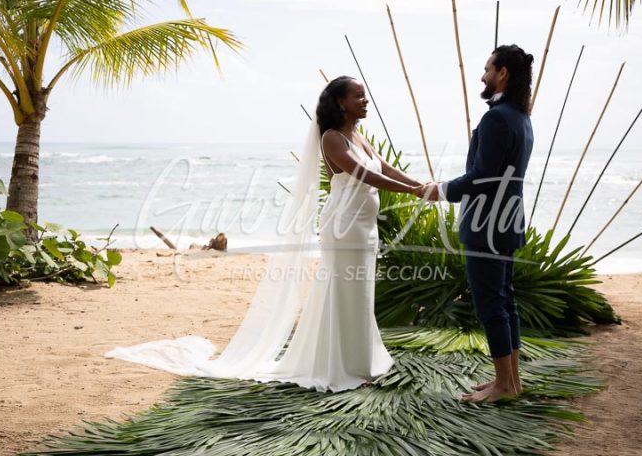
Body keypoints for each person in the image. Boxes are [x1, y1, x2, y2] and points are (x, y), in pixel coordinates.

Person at [105, 76, 424, 392]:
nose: (365, 101)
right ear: (341, 102)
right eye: (358, 96)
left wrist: (420, 186)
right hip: (344, 226)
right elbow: (364, 174)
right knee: (344, 293)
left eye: (364, 95)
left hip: (364, 228)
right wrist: (416, 192)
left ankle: (358, 361)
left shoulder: (358, 135)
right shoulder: (332, 138)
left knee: (360, 292)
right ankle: (341, 367)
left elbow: (384, 168)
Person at [420, 44, 534, 403]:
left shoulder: (497, 118)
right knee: (505, 301)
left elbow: (482, 176)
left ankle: (503, 385)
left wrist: (441, 190)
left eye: (487, 69)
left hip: (488, 223)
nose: (482, 75)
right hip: (508, 220)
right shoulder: (521, 117)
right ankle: (511, 382)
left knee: (490, 304)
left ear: (502, 73)